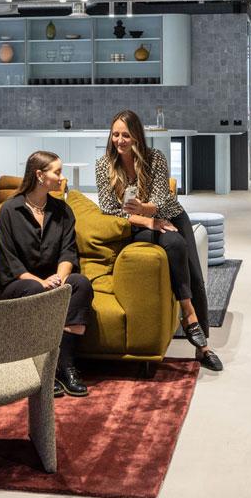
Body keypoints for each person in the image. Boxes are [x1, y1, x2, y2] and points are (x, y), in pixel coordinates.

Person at [94, 110, 223, 372]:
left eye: (126, 135)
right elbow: (108, 208)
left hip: (171, 216)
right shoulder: (103, 164)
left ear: (137, 137)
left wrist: (146, 209)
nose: (120, 140)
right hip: (137, 224)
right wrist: (146, 221)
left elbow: (163, 199)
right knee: (173, 244)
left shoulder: (155, 159)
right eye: (116, 134)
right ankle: (189, 317)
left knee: (192, 270)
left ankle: (202, 347)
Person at [0, 151, 93, 397]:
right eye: (57, 172)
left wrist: (59, 279)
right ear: (39, 175)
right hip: (18, 285)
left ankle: (65, 365)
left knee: (81, 284)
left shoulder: (63, 211)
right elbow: (9, 263)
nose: (61, 177)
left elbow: (68, 253)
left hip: (52, 280)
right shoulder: (10, 210)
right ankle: (41, 370)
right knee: (35, 290)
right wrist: (41, 282)